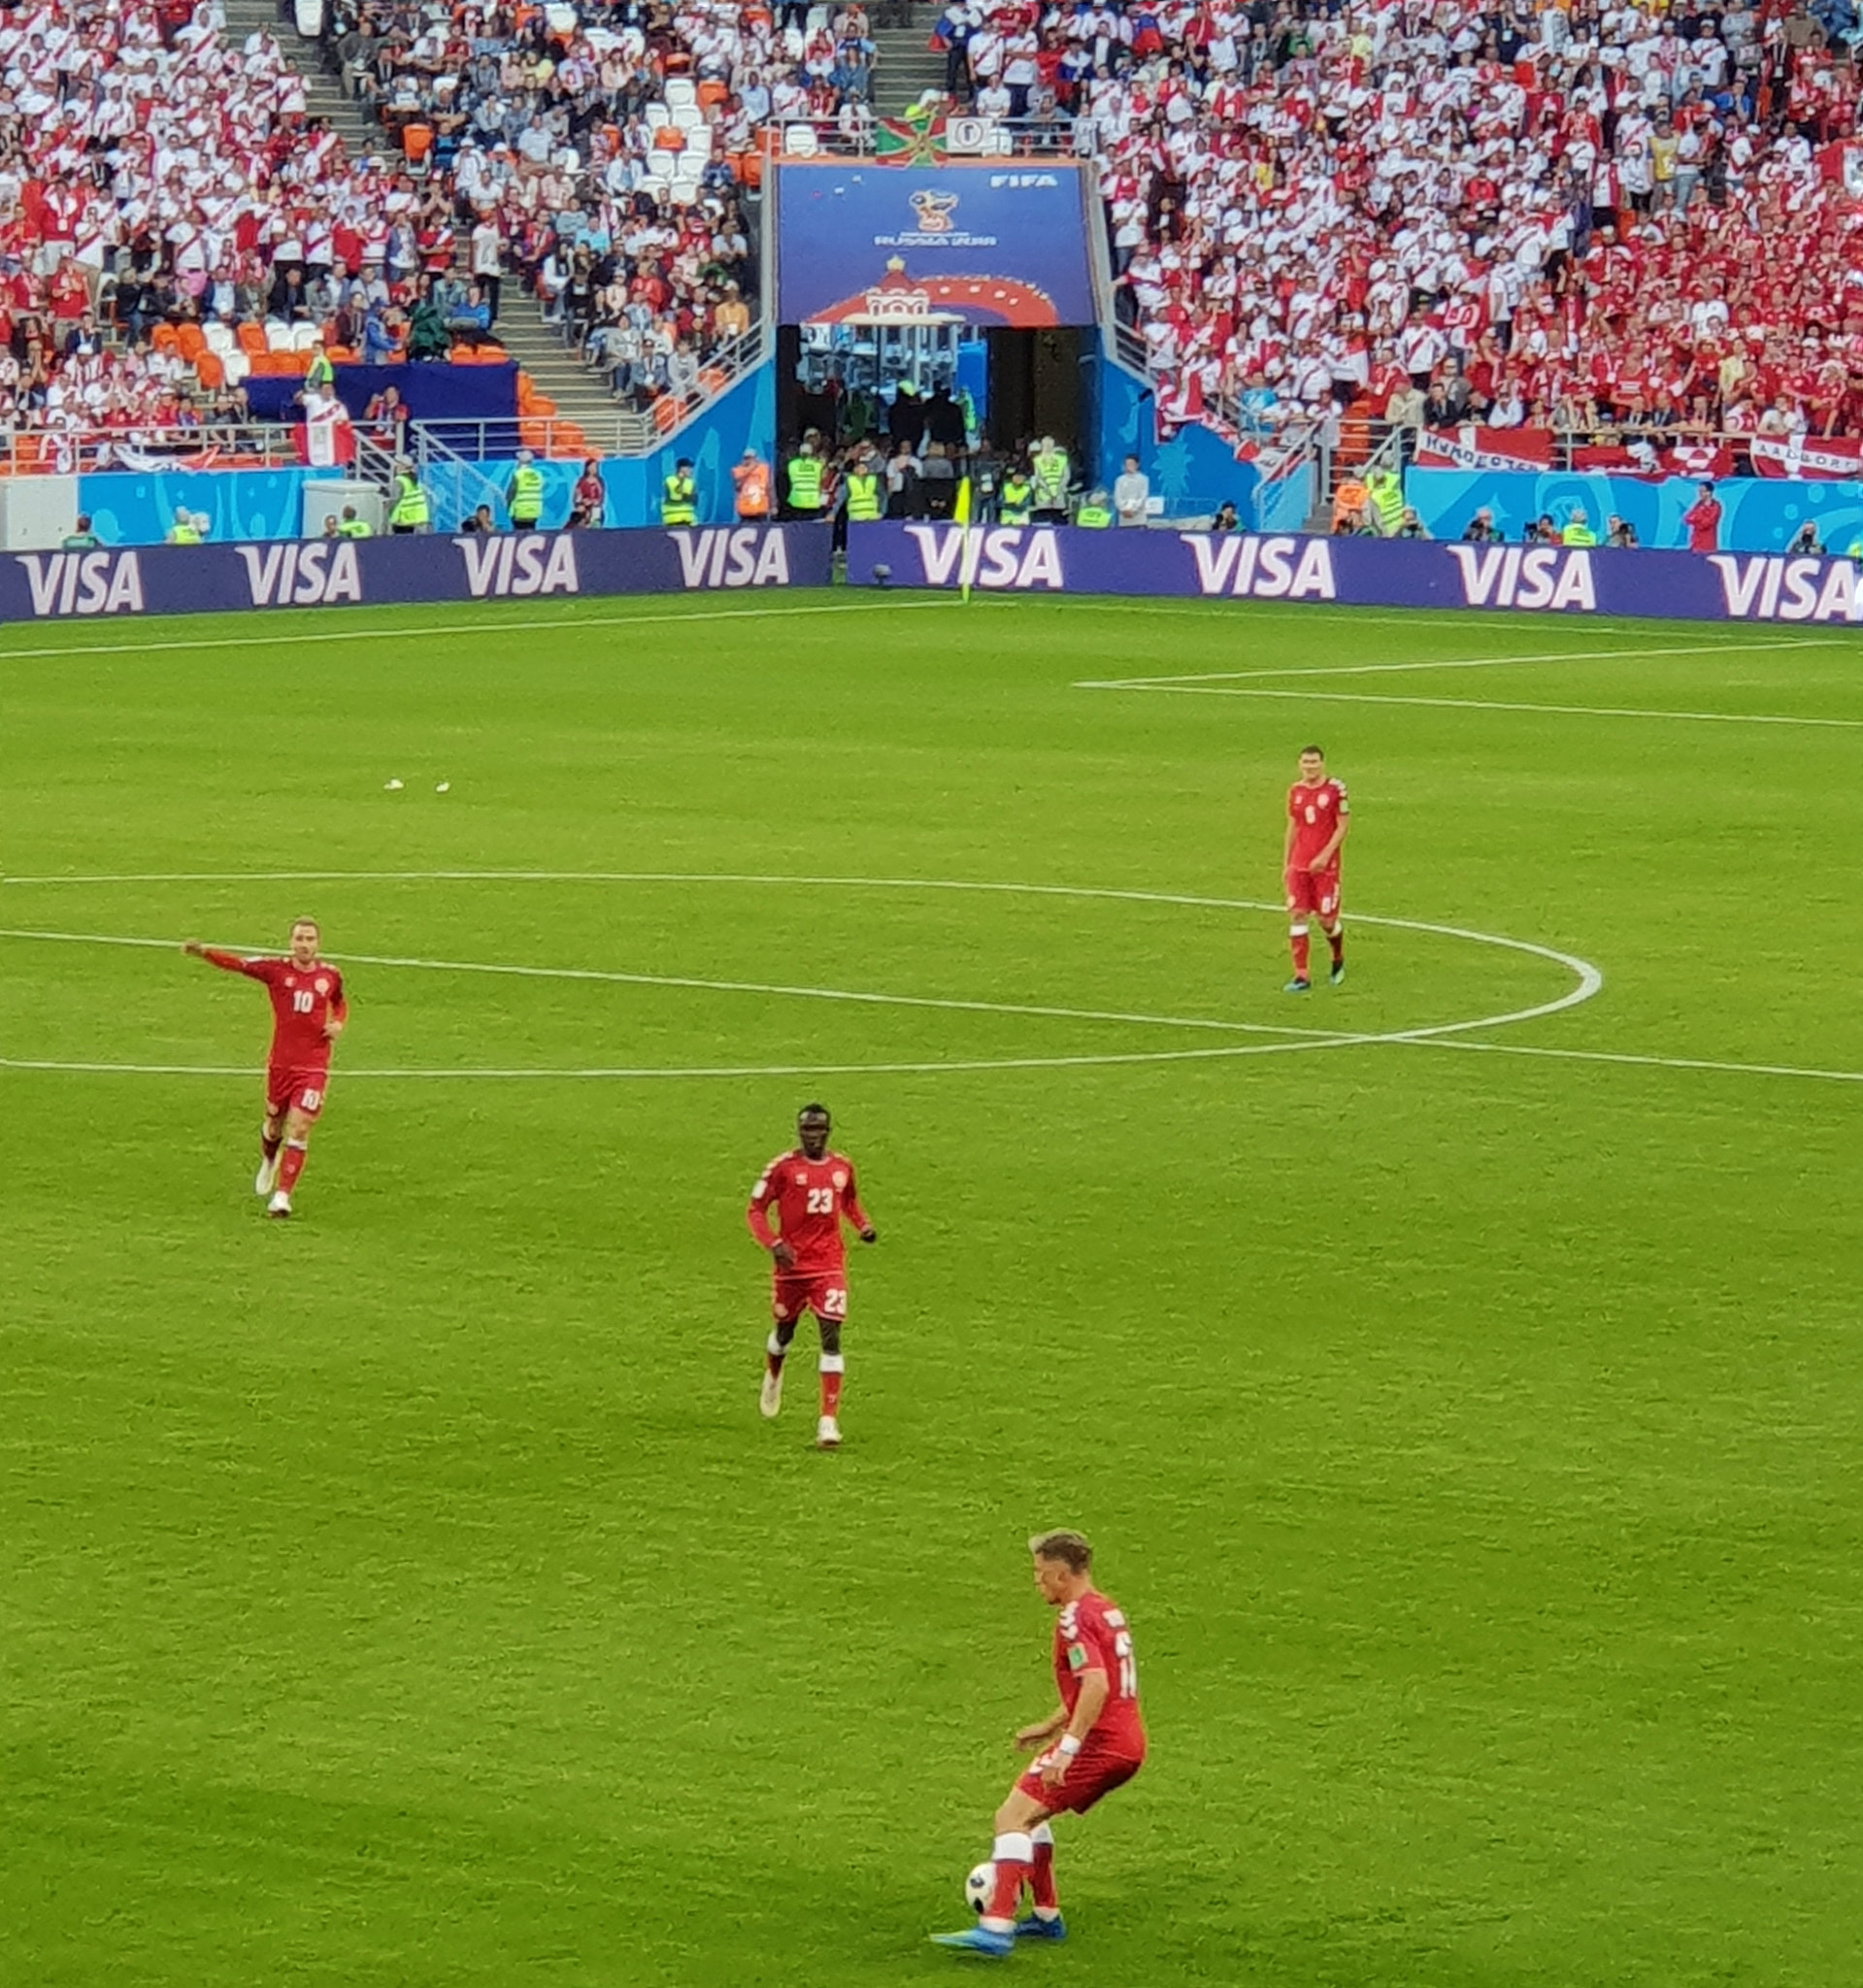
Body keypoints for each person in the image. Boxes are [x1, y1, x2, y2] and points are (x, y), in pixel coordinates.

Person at [929, 1531, 1147, 1958]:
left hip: (1098, 1744)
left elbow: (1097, 1685)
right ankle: (1046, 1916)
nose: (1036, 1582)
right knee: (1032, 1813)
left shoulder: (1073, 1618)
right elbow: (1104, 1686)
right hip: (1126, 1742)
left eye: (1039, 1573)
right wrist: (1050, 1725)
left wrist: (1067, 1747)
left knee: (1011, 1816)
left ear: (1061, 1574)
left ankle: (996, 1928)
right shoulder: (1106, 1610)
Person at [182, 918, 347, 1219]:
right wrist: (204, 952)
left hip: (313, 1067)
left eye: (310, 939)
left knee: (300, 1126)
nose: (305, 944)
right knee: (274, 1125)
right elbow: (239, 964)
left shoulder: (330, 975)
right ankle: (269, 1159)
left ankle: (282, 1197)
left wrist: (337, 1023)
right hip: (281, 1065)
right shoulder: (276, 971)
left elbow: (340, 1003)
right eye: (300, 938)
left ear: (318, 943)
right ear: (291, 942)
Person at [746, 1104, 877, 1450]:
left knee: (830, 1336)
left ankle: (828, 1422)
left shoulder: (842, 1167)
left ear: (828, 1132)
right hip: (791, 1270)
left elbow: (849, 1201)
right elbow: (755, 1210)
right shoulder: (783, 1168)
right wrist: (773, 1243)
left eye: (819, 1130)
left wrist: (862, 1225)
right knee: (784, 1334)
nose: (813, 1136)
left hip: (829, 1266)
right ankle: (774, 1370)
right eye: (807, 1130)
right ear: (799, 1132)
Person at [1283, 744, 1348, 992]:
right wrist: (1287, 862)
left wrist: (1325, 855)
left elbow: (1342, 826)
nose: (1310, 766)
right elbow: (1293, 826)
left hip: (1326, 867)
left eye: (1314, 762)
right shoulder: (1296, 790)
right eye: (1305, 762)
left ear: (1322, 763)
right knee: (1298, 915)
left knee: (1326, 920)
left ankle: (1337, 958)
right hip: (1299, 865)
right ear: (1299, 764)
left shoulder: (1336, 789)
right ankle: (1301, 975)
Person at [1029, 436, 1070, 523]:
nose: (1047, 446)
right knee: (1044, 518)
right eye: (1045, 444)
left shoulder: (1062, 459)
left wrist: (1060, 488)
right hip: (1043, 495)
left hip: (1059, 494)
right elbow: (1037, 476)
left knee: (1058, 518)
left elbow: (1066, 475)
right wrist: (1046, 488)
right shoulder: (1037, 460)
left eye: (1050, 444)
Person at [784, 437, 825, 519]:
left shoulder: (792, 464)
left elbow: (791, 479)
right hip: (813, 501)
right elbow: (819, 481)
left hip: (796, 500)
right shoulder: (817, 465)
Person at [507, 447, 545, 529]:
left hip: (520, 511)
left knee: (518, 536)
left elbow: (511, 493)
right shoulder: (538, 475)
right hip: (534, 511)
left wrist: (508, 506)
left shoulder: (518, 474)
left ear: (520, 461)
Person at [387, 460, 429, 534]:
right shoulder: (415, 480)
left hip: (403, 518)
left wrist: (388, 512)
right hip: (416, 517)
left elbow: (394, 499)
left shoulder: (399, 480)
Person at [732, 448, 772, 520]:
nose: (749, 460)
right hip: (745, 509)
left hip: (760, 509)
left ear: (755, 458)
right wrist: (750, 469)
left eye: (751, 458)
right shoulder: (738, 470)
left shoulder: (763, 469)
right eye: (746, 458)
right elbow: (737, 486)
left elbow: (769, 487)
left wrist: (772, 505)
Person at [1683, 480, 1723, 553]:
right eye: (1699, 491)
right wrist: (1698, 518)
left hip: (1708, 545)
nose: (1700, 494)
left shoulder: (1715, 507)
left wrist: (1696, 518)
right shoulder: (1698, 505)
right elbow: (1687, 518)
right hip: (1695, 544)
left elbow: (1706, 523)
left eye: (1702, 491)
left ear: (1709, 492)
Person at [1113, 453, 1149, 527]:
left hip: (1139, 519)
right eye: (1127, 464)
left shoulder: (1143, 479)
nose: (1128, 466)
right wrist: (1123, 509)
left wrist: (1134, 509)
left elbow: (1143, 496)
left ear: (1137, 465)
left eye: (1131, 464)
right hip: (1124, 519)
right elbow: (1117, 496)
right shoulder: (1120, 480)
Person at [661, 456, 698, 526]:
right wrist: (684, 497)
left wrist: (691, 497)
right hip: (672, 519)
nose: (691, 470)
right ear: (681, 468)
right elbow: (668, 497)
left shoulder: (691, 482)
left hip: (688, 520)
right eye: (688, 468)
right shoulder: (669, 481)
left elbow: (695, 501)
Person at [570, 458, 606, 530]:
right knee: (579, 513)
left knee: (595, 512)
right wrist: (581, 502)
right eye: (591, 466)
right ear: (587, 468)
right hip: (584, 505)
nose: (593, 469)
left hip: (595, 506)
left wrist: (593, 502)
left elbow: (601, 497)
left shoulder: (599, 481)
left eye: (595, 467)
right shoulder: (582, 481)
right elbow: (576, 496)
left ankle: (594, 527)